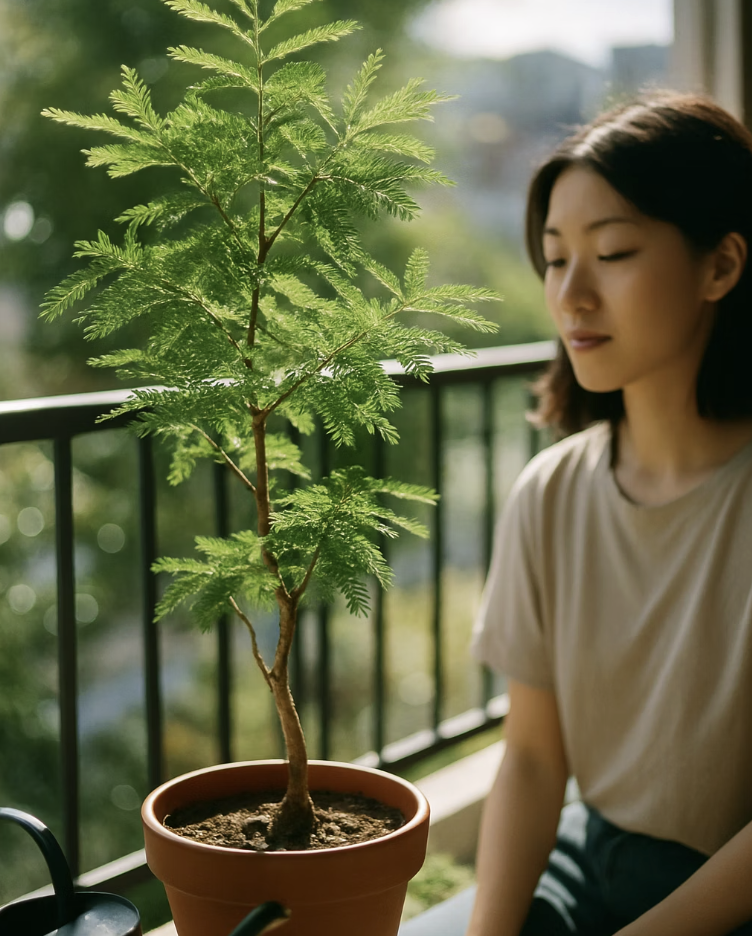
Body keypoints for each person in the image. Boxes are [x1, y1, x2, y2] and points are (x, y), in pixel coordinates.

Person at [467, 90, 752, 936]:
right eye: (555, 260)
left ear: (721, 266)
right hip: (593, 864)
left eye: (615, 252)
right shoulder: (550, 492)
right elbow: (531, 757)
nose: (572, 296)